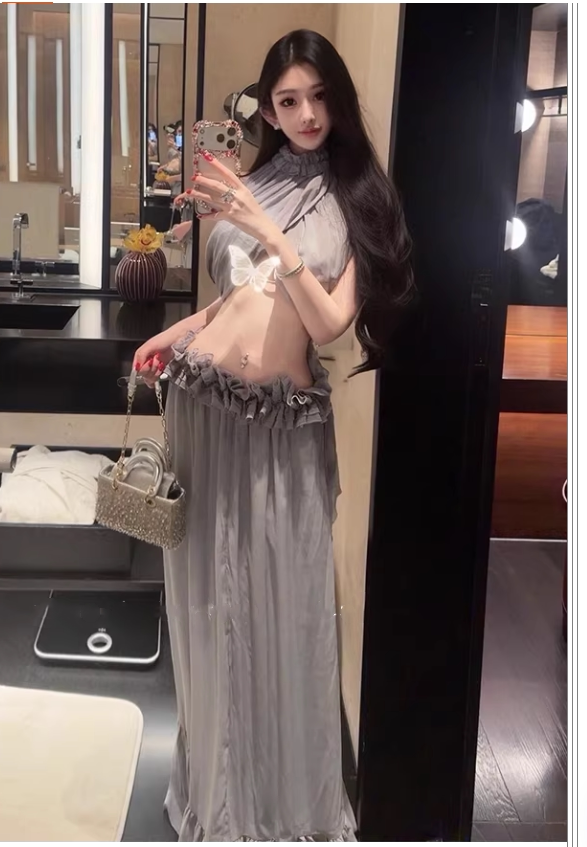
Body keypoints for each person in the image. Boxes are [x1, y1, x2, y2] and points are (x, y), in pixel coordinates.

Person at [133, 30, 412, 842]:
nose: (306, 115)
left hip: (279, 426)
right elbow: (237, 295)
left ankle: (282, 807)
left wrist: (274, 232)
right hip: (201, 404)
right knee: (212, 602)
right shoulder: (253, 180)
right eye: (288, 101)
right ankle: (219, 795)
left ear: (339, 98)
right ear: (269, 108)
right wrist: (174, 332)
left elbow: (328, 324)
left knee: (281, 607)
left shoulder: (362, 200)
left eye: (319, 97)